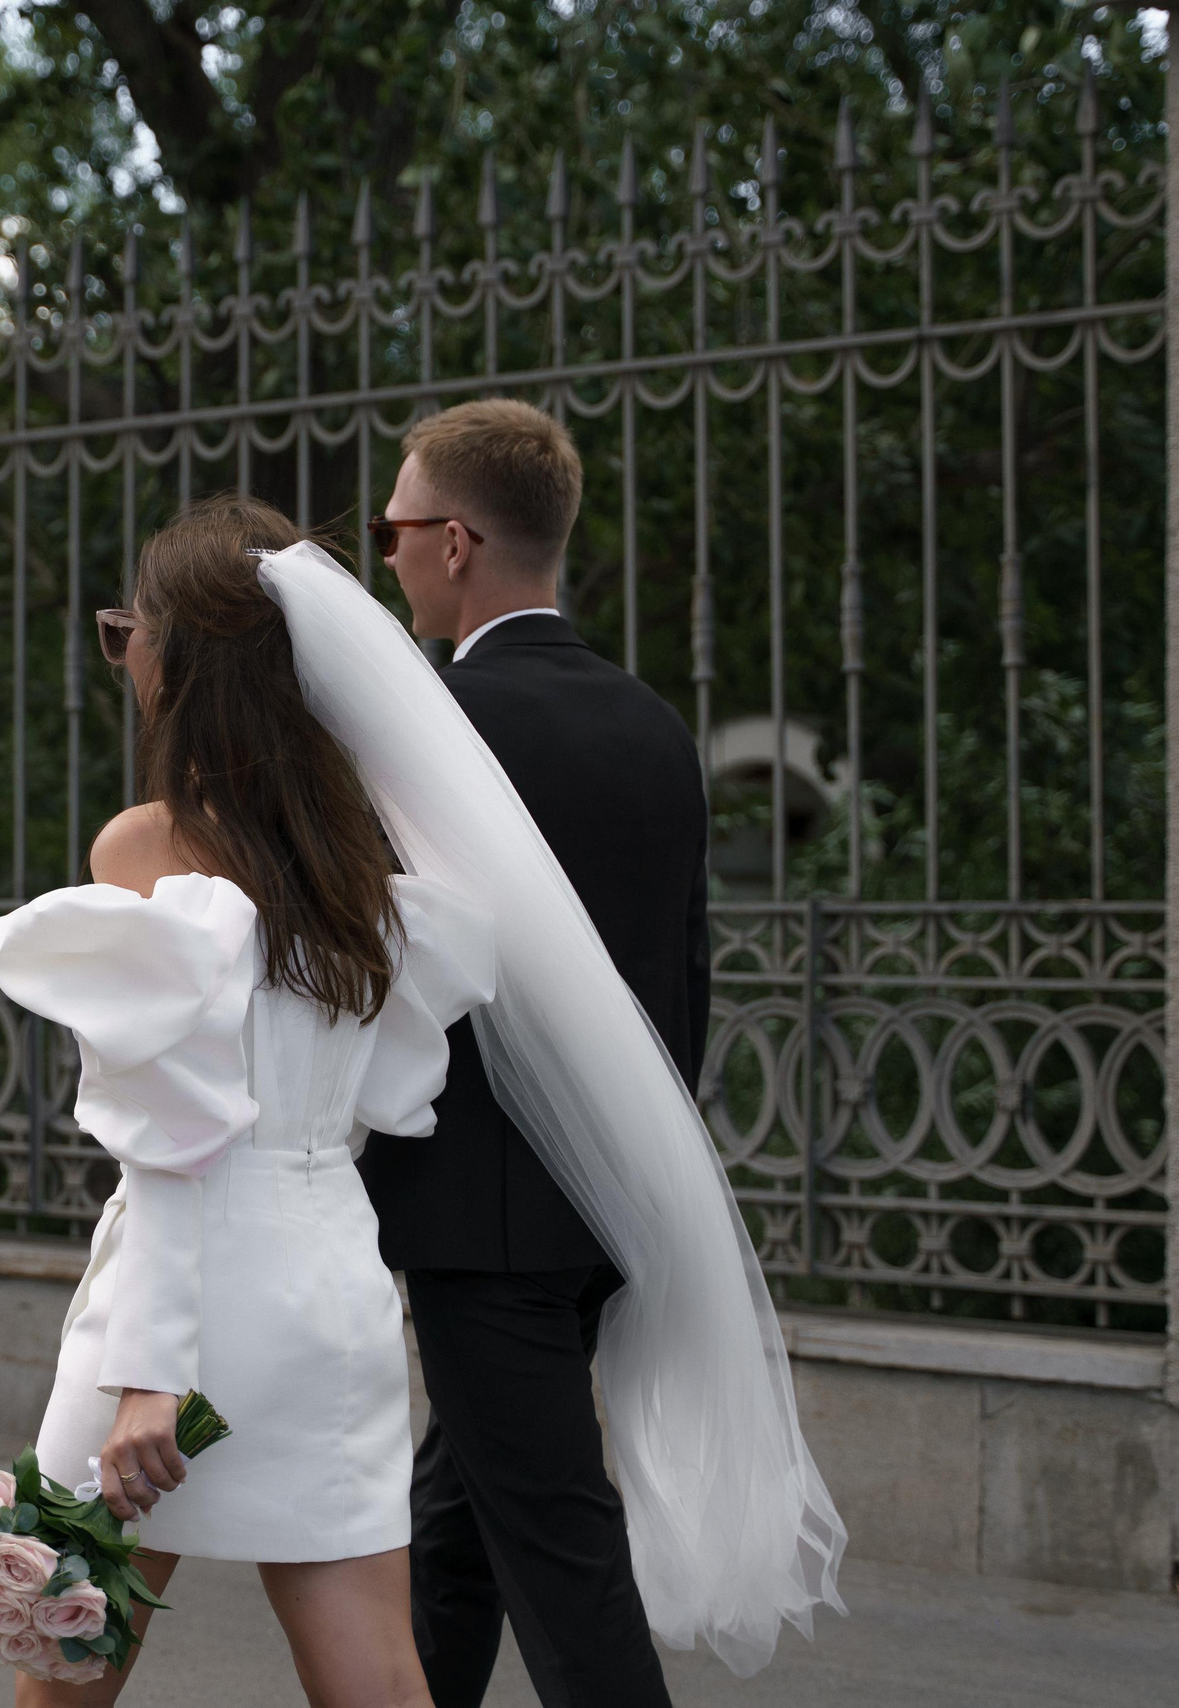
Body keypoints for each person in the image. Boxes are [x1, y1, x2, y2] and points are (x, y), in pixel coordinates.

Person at [0, 494, 498, 1707]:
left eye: (128, 632)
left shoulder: (148, 848)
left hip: (182, 1300)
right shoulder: (369, 866)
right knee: (375, 1670)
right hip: (329, 1284)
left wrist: (150, 1371)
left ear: (179, 660)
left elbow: (176, 1144)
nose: (124, 660)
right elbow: (382, 1090)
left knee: (73, 1651)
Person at [358, 398, 705, 1708]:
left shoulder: (437, 732)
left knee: (563, 1563)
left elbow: (384, 969)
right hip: (607, 1205)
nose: (384, 555)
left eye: (393, 528)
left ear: (453, 542)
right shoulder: (653, 725)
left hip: (475, 1223)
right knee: (457, 1529)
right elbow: (686, 984)